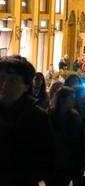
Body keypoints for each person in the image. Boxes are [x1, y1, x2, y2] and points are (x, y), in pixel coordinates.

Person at [0, 56, 55, 185]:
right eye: (1, 78)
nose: (4, 85)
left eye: (13, 80)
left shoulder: (38, 118)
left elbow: (49, 162)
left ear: (26, 86)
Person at [47, 87, 85, 186]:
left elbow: (80, 140)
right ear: (62, 100)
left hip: (70, 162)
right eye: (71, 98)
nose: (74, 101)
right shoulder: (49, 115)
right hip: (54, 162)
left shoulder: (74, 116)